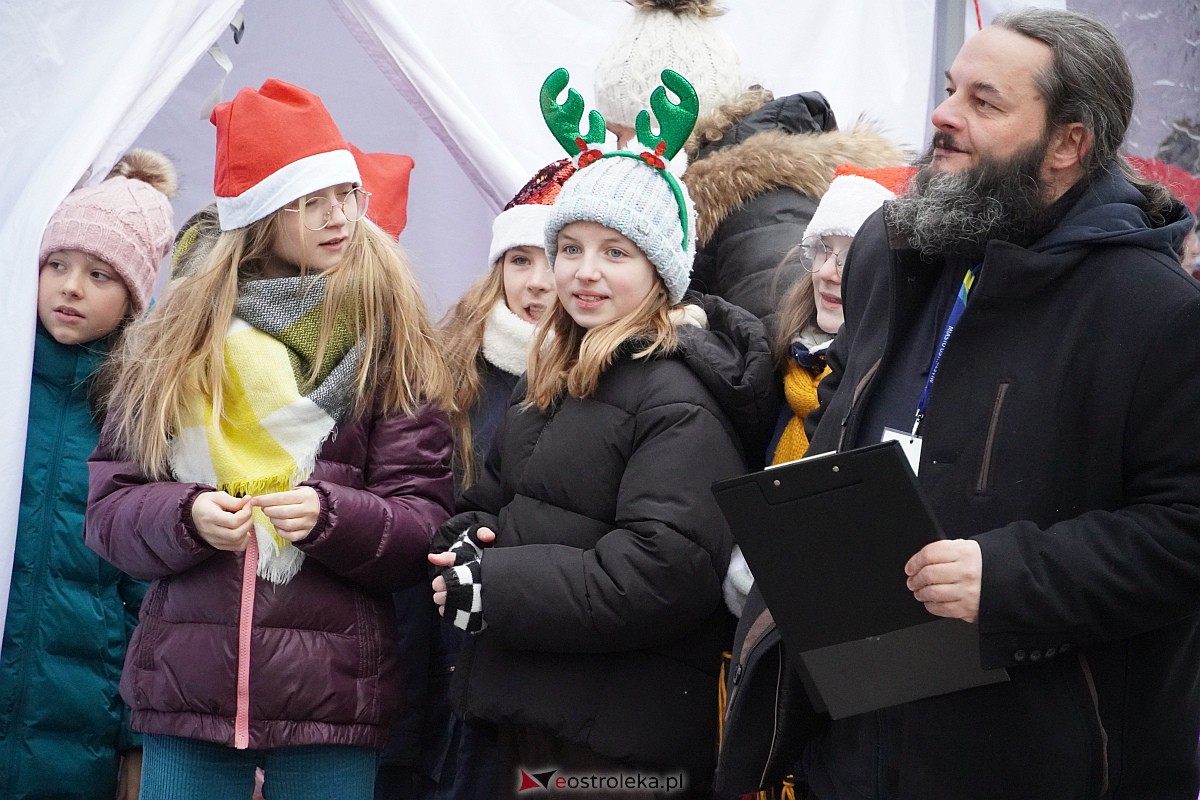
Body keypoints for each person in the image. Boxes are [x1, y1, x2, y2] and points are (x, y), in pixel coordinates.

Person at [727, 8, 1200, 799]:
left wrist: (1012, 576)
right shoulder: (894, 247)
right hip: (854, 745)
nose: (943, 117)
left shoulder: (1153, 312)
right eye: (950, 91)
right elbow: (845, 422)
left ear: (1068, 144)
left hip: (1033, 759)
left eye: (984, 102)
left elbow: (1185, 533)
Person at [84, 78, 456, 800]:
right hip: (188, 695)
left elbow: (423, 522)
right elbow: (108, 511)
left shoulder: (391, 341)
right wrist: (184, 516)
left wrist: (332, 516)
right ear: (259, 218)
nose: (337, 216)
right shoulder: (173, 343)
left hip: (333, 704)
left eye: (344, 194)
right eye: (308, 201)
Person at [428, 69, 778, 798]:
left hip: (621, 745)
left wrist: (496, 588)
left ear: (660, 270)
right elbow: (490, 499)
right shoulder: (555, 372)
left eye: (616, 253)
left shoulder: (678, 391)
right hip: (547, 710)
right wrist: (466, 542)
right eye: (572, 247)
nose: (585, 273)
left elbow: (664, 571)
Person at [0, 148, 175, 800]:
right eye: (57, 265)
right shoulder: (8, 394)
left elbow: (148, 597)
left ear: (135, 298)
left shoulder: (141, 420)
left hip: (79, 725)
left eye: (100, 274)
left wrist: (135, 743)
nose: (70, 287)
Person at [592, 0, 908, 323]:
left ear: (669, 124)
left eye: (622, 134)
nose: (615, 150)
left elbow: (786, 328)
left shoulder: (757, 204)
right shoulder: (725, 189)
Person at [722, 163, 913, 619]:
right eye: (823, 250)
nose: (828, 272)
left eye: (854, 256)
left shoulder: (898, 384)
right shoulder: (778, 358)